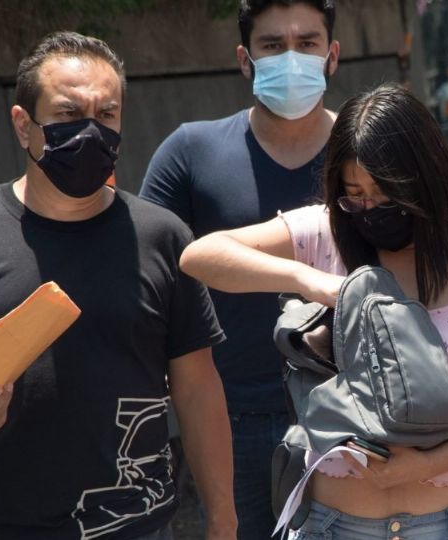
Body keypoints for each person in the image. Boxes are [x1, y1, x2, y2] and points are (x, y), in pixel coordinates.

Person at [0, 32, 236, 539]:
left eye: (107, 115)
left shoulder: (162, 236)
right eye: (69, 114)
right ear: (22, 125)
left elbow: (197, 386)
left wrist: (223, 519)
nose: (91, 132)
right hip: (0, 526)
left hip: (138, 524)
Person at [179, 84, 448, 539]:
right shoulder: (327, 233)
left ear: (425, 180)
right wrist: (311, 281)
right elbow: (201, 256)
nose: (369, 210)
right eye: (355, 196)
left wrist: (424, 466)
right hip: (332, 525)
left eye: (385, 195)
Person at [138, 1, 339, 536]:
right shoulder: (190, 151)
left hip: (355, 417)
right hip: (229, 423)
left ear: (333, 55)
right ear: (245, 59)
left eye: (307, 43)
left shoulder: (373, 153)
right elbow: (145, 281)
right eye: (272, 45)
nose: (290, 56)